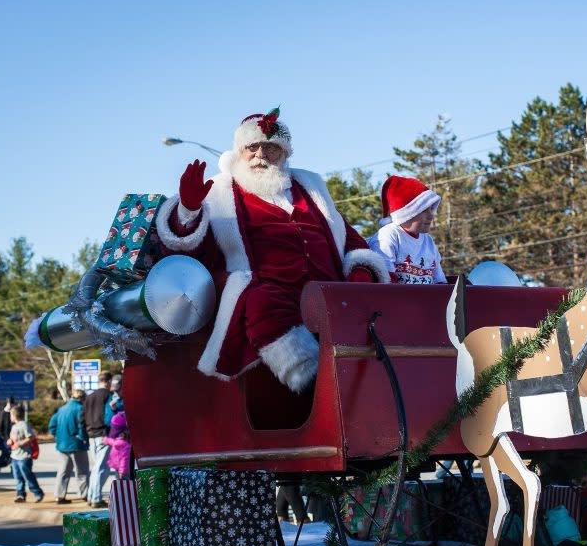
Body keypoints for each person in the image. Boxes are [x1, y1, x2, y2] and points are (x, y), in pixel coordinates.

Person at [155, 108, 389, 394]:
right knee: (261, 302)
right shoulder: (219, 194)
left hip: (329, 293)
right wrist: (188, 211)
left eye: (271, 148)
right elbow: (191, 257)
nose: (260, 155)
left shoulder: (311, 188)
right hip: (270, 295)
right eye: (251, 147)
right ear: (239, 152)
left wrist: (361, 274)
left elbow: (349, 239)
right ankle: (313, 382)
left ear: (285, 154)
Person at [368, 175, 446, 284]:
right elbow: (385, 281)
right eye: (424, 210)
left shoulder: (428, 241)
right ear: (407, 214)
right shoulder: (388, 236)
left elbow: (440, 281)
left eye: (431, 209)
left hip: (427, 300)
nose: (431, 215)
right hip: (399, 300)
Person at [49, 389, 90, 504]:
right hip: (77, 444)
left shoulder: (62, 409)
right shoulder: (80, 409)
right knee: (82, 471)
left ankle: (59, 496)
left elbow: (52, 425)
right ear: (82, 398)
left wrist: (57, 436)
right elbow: (81, 426)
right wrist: (84, 439)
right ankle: (85, 494)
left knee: (63, 471)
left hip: (62, 445)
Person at [83, 371, 113, 508]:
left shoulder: (89, 397)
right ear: (108, 381)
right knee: (101, 468)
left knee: (96, 468)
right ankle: (95, 498)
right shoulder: (108, 396)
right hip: (103, 434)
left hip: (91, 435)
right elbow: (110, 415)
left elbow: (82, 417)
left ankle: (91, 496)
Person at [7, 405, 43, 503]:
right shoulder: (14, 427)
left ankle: (38, 493)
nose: (10, 417)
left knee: (28, 476)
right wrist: (10, 441)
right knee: (18, 477)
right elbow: (13, 439)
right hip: (14, 456)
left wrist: (19, 444)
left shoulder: (24, 425)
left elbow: (31, 437)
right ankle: (20, 495)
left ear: (15, 415)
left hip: (24, 456)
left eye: (11, 415)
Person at [104, 411, 133, 480]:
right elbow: (115, 443)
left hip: (122, 471)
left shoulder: (124, 442)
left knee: (124, 487)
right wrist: (107, 440)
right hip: (118, 468)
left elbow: (125, 459)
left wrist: (122, 471)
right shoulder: (120, 440)